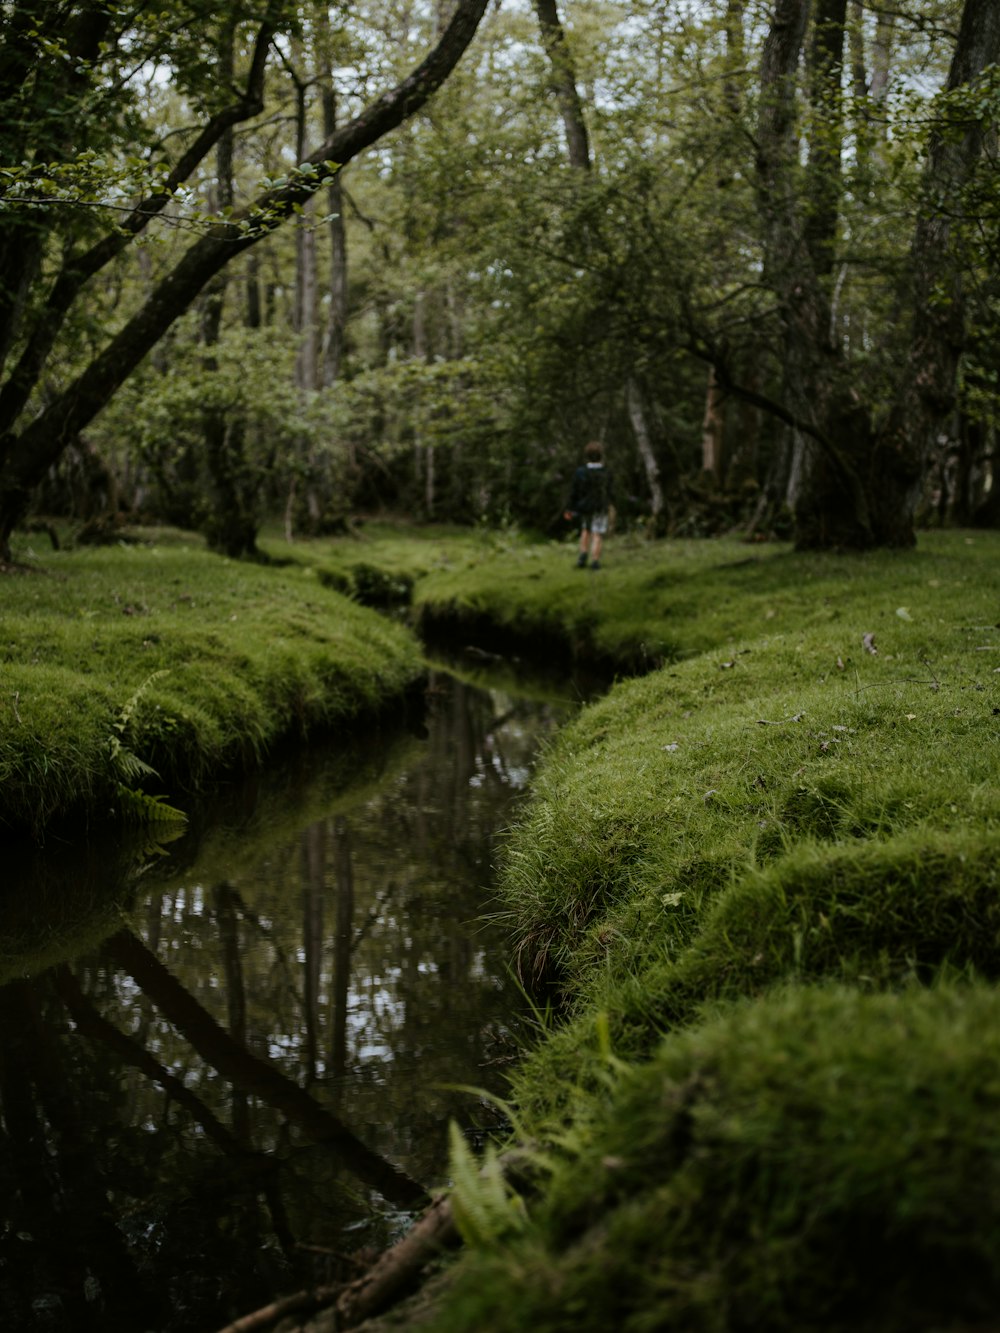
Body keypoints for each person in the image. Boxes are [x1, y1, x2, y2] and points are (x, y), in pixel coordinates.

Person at [564, 441, 611, 570]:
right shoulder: (606, 472)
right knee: (597, 534)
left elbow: (574, 491)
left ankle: (583, 555)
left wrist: (570, 508)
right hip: (600, 506)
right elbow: (610, 491)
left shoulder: (580, 472)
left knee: (586, 530)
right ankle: (595, 561)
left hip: (584, 506)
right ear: (601, 455)